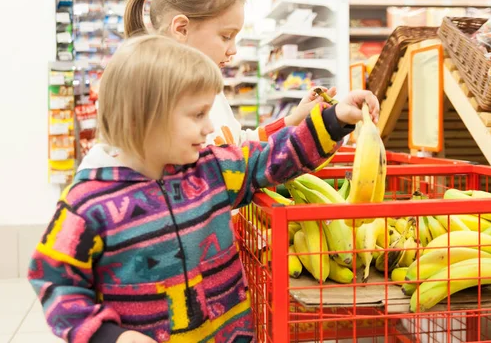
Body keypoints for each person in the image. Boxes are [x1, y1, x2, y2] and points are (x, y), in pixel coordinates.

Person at [28, 35, 379, 343]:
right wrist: (108, 335)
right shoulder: (89, 203)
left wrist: (335, 120)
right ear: (143, 118)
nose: (209, 126)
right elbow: (53, 280)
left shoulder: (211, 169)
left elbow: (274, 158)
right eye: (197, 115)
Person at [123, 0, 336, 146]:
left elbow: (238, 142)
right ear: (181, 29)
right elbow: (221, 164)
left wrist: (294, 120)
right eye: (226, 36)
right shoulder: (158, 98)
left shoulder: (209, 90)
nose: (233, 49)